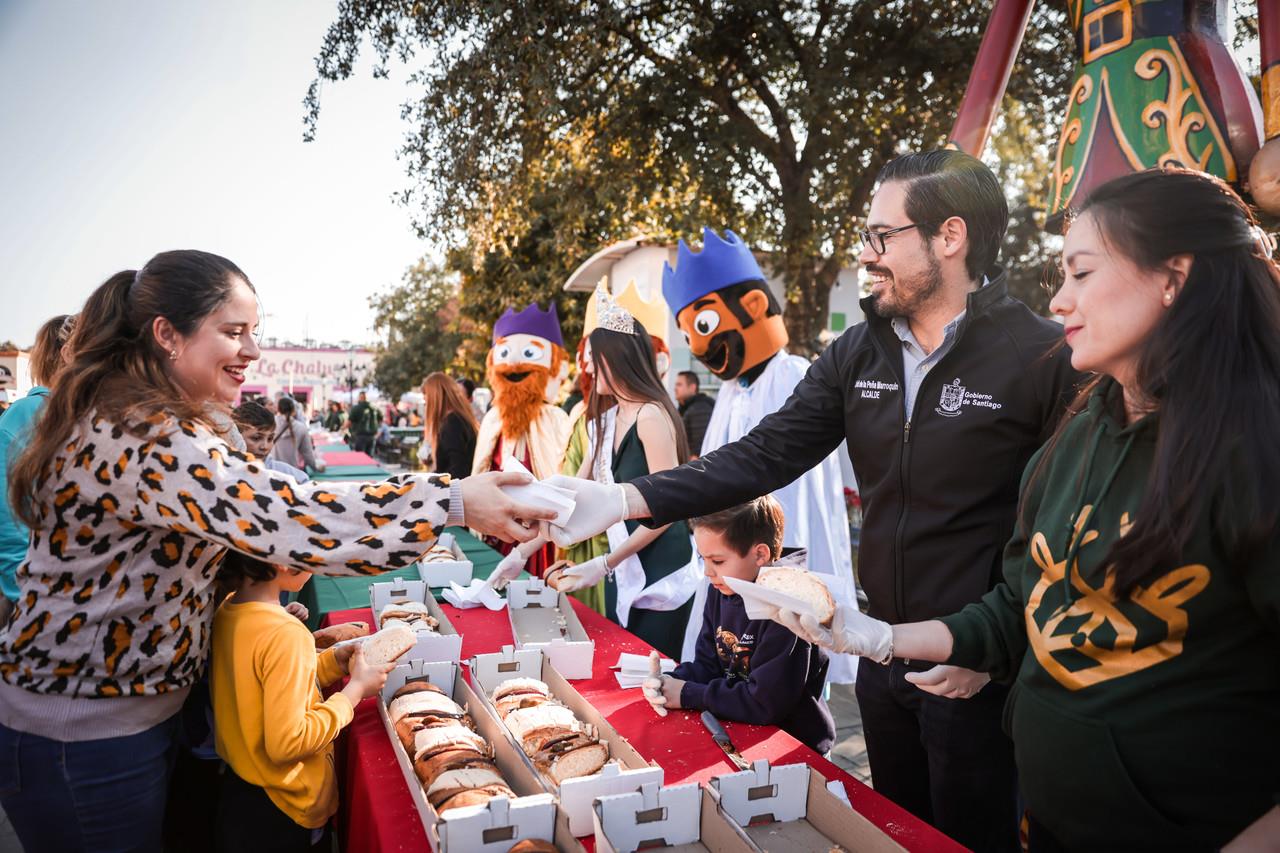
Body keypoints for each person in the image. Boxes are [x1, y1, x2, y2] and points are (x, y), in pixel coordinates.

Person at [545, 151, 1080, 851]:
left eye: (881, 237)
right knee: (897, 831)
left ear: (950, 237)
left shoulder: (1041, 357)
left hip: (980, 675)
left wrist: (996, 647)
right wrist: (625, 497)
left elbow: (1063, 534)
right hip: (883, 662)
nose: (866, 254)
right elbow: (760, 456)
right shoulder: (857, 353)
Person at [773, 168, 1280, 850]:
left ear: (1173, 277)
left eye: (1081, 272)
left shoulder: (1256, 449)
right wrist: (882, 637)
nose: (1061, 300)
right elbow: (1019, 605)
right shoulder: (1078, 434)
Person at [0, 249, 553, 851]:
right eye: (233, 333)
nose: (253, 352)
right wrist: (453, 501)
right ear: (167, 335)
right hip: (83, 738)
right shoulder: (143, 432)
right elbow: (294, 517)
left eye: (254, 333)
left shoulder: (159, 420)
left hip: (123, 724)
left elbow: (265, 509)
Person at [661, 227, 858, 677]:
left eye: (703, 325)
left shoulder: (793, 375)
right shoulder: (731, 391)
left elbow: (792, 474)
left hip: (775, 549)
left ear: (753, 307)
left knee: (786, 662)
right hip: (730, 550)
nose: (696, 345)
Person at [551, 286, 698, 659]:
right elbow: (575, 493)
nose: (588, 367)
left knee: (652, 672)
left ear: (617, 360)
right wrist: (527, 546)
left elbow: (670, 509)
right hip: (622, 562)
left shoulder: (651, 416)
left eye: (595, 359)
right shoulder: (603, 420)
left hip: (660, 567)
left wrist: (603, 564)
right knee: (623, 664)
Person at [211, 551, 392, 852]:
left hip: (243, 792)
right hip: (285, 807)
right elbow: (289, 742)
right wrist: (355, 691)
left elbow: (274, 685)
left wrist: (333, 661)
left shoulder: (229, 608)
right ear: (283, 561)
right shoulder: (286, 634)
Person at [644, 496, 835, 753]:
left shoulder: (787, 608)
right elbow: (708, 663)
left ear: (759, 554)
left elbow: (764, 703)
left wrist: (688, 694)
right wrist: (670, 683)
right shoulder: (723, 587)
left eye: (718, 561)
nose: (707, 572)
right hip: (740, 730)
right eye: (703, 559)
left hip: (795, 746)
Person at [0, 313, 73, 624]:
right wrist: (25, 593)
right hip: (40, 603)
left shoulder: (102, 415)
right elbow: (8, 518)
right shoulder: (27, 414)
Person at [233, 400, 309, 482]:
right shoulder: (223, 474)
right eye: (256, 438)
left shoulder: (285, 475)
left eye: (270, 439)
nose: (265, 446)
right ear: (235, 436)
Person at [421, 371, 478, 480]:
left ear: (435, 398)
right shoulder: (459, 418)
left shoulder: (452, 424)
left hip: (457, 493)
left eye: (427, 401)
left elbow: (458, 470)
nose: (426, 405)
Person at [271, 395, 322, 473]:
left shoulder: (270, 424)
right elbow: (307, 453)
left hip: (272, 471)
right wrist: (315, 468)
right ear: (294, 410)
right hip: (292, 472)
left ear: (278, 409)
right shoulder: (301, 427)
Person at [674, 370, 713, 457]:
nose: (675, 388)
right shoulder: (684, 408)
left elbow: (699, 449)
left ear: (692, 387)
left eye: (679, 385)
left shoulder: (700, 409)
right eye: (676, 384)